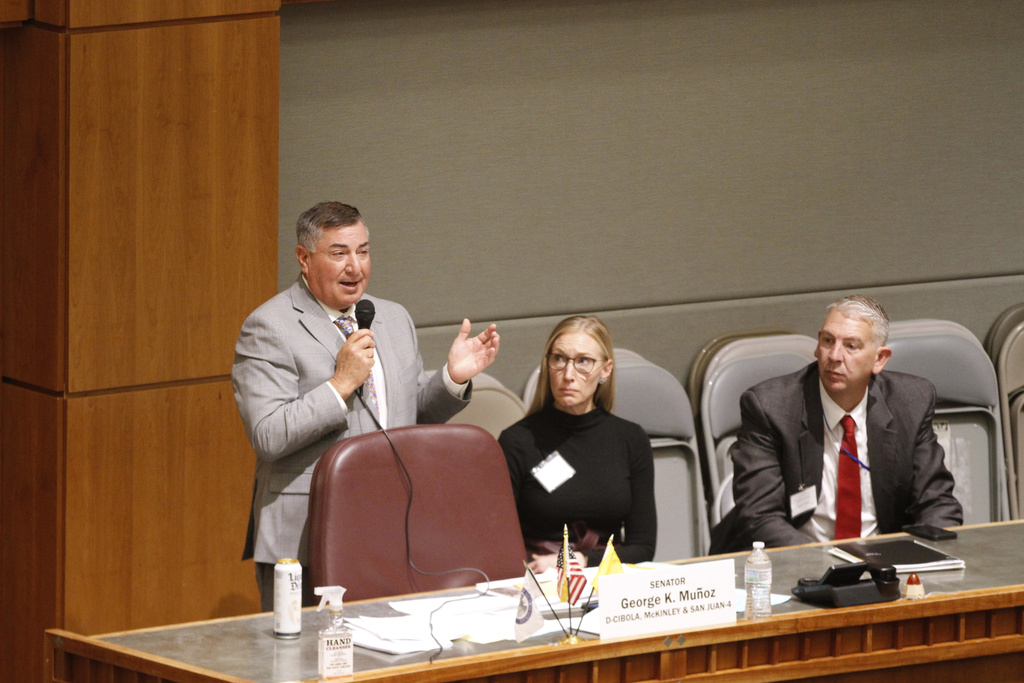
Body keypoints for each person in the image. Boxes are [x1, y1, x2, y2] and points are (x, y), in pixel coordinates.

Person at [232, 201, 500, 609]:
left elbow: (410, 418)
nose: (355, 267)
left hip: (391, 526)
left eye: (363, 251)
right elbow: (269, 435)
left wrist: (452, 378)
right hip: (305, 536)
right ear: (304, 258)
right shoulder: (269, 326)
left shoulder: (392, 318)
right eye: (339, 253)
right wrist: (340, 384)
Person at [719, 295, 962, 551]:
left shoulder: (911, 402)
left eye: (851, 346)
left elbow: (937, 504)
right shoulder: (770, 407)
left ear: (879, 359)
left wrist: (923, 563)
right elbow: (759, 517)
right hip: (798, 562)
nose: (834, 355)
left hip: (884, 564)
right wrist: (830, 565)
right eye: (827, 341)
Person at [498, 315, 656, 572]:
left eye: (583, 361)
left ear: (605, 370)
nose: (568, 374)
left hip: (607, 578)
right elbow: (498, 543)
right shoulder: (518, 441)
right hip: (540, 580)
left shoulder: (630, 439)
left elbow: (643, 547)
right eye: (559, 359)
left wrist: (580, 561)